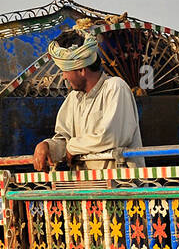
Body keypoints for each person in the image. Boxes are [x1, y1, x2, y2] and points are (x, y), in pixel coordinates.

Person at [32, 29, 144, 170]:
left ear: (82, 70)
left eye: (66, 71)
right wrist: (47, 146)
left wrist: (73, 147)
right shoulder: (74, 98)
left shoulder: (115, 87)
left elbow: (111, 137)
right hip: (86, 188)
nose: (64, 77)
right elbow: (64, 140)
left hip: (119, 187)